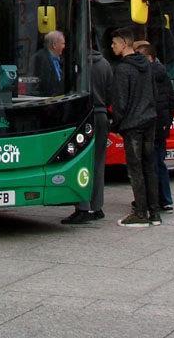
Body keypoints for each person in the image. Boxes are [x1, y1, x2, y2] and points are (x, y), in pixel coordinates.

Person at [109, 28, 159, 228]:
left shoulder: (122, 69)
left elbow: (120, 102)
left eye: (114, 43)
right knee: (149, 166)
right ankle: (154, 212)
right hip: (149, 120)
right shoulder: (146, 64)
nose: (112, 47)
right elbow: (153, 92)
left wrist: (116, 124)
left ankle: (140, 212)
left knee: (135, 168)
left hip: (133, 124)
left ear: (124, 43)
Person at [62, 41, 113, 224]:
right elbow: (110, 92)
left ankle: (82, 207)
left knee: (81, 161)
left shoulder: (79, 64)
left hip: (84, 116)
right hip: (101, 115)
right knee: (99, 162)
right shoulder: (105, 63)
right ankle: (97, 206)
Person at [135, 40, 174, 212]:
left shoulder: (146, 75)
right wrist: (168, 122)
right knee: (159, 161)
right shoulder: (164, 73)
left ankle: (152, 200)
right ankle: (165, 199)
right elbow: (171, 101)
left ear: (149, 58)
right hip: (162, 124)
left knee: (149, 163)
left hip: (150, 124)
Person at [31, 30, 66, 96]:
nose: (64, 46)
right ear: (54, 45)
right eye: (62, 43)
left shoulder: (58, 59)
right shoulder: (40, 58)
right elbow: (43, 84)